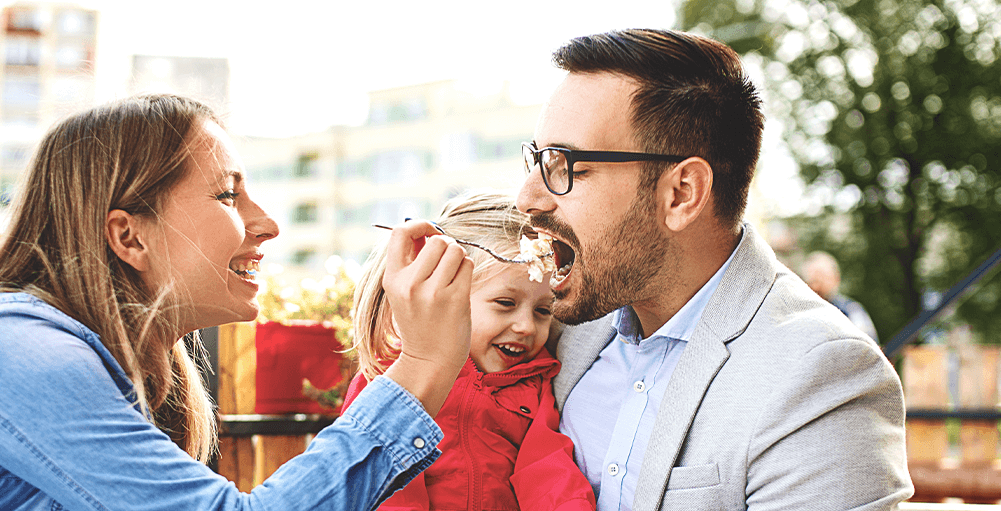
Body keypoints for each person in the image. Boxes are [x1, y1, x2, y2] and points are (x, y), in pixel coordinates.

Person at [0, 94, 477, 510]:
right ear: (128, 235)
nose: (268, 223)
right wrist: (420, 366)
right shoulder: (10, 345)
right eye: (228, 195)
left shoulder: (141, 367)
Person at [515, 29, 913, 511]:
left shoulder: (822, 377)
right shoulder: (557, 329)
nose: (527, 198)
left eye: (564, 165)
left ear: (682, 193)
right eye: (535, 160)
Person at [343, 191, 595, 511]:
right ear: (447, 296)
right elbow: (388, 485)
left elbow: (546, 468)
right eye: (506, 303)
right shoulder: (396, 379)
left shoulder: (534, 385)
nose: (527, 326)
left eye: (543, 311)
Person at [802, 251, 880, 342]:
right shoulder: (799, 313)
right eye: (812, 280)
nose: (816, 286)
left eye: (822, 278)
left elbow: (868, 346)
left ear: (836, 278)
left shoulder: (850, 310)